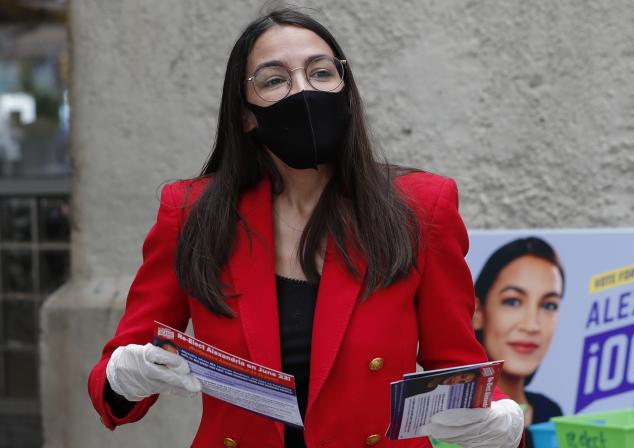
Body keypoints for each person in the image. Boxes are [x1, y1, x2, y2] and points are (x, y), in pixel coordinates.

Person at [87, 8, 524, 448]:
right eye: (275, 79)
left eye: (321, 72)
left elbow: (457, 366)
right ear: (246, 114)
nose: (304, 90)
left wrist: (502, 422)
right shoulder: (192, 212)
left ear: (345, 90)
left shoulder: (420, 208)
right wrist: (127, 375)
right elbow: (114, 389)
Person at [473, 237, 565, 448]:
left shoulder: (551, 413)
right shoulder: (457, 419)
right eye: (513, 301)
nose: (532, 325)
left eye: (549, 305)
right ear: (477, 312)